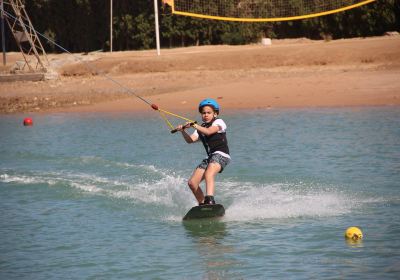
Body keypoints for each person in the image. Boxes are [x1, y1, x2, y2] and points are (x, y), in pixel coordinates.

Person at [175, 98, 231, 205]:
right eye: (203, 113)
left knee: (209, 173)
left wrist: (194, 125)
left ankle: (210, 200)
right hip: (210, 157)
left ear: (215, 114)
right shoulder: (200, 128)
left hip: (222, 155)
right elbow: (190, 140)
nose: (206, 115)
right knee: (192, 183)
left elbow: (209, 132)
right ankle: (203, 205)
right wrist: (183, 131)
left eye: (209, 113)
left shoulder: (219, 122)